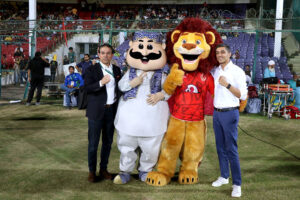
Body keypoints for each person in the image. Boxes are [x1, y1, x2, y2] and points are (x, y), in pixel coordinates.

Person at [211, 44, 247, 198]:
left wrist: (228, 85)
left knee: (231, 149)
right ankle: (224, 176)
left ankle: (237, 184)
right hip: (217, 113)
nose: (220, 55)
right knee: (220, 147)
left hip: (230, 113)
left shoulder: (237, 71)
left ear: (229, 54)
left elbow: (242, 95)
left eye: (223, 52)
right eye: (218, 52)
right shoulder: (216, 71)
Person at [84, 43, 122, 183]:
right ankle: (92, 172)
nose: (106, 55)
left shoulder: (117, 69)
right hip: (96, 111)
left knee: (107, 142)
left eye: (108, 53)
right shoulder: (91, 70)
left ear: (112, 55)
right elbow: (86, 88)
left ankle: (104, 169)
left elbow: (120, 89)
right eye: (103, 53)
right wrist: (100, 82)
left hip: (111, 111)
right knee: (93, 143)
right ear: (98, 54)